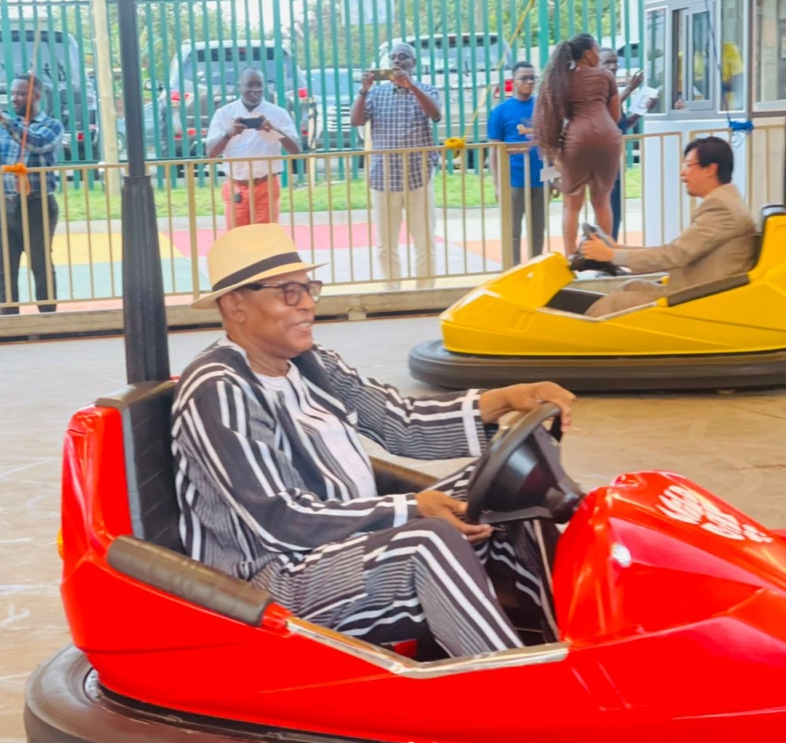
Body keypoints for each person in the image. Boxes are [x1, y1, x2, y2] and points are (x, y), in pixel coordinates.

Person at [172, 222, 577, 658]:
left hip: (337, 546)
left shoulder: (311, 363)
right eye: (288, 292)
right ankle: (514, 683)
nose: (307, 303)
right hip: (272, 577)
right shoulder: (219, 390)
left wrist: (507, 398)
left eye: (308, 289)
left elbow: (399, 422)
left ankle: (565, 645)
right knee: (426, 544)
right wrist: (410, 509)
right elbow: (281, 518)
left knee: (507, 492)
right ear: (235, 305)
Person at [580, 136, 757, 318]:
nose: (682, 173)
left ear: (710, 169)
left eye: (688, 165)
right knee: (631, 286)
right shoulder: (725, 202)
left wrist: (611, 255)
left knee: (612, 304)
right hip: (695, 288)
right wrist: (618, 248)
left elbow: (675, 255)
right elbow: (677, 250)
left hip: (700, 299)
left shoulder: (721, 209)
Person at [351, 43, 441, 289]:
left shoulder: (426, 90)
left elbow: (435, 114)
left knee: (424, 240)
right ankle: (392, 292)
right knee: (386, 243)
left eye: (403, 57)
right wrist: (363, 90)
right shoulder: (377, 94)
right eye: (393, 58)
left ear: (413, 63)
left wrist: (411, 86)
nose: (397, 61)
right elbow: (356, 120)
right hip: (385, 176)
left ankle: (424, 293)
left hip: (418, 175)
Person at [0, 74, 64, 315]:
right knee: (4, 267)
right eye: (13, 93)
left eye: (21, 93)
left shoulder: (51, 126)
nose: (14, 98)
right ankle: (10, 321)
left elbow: (37, 144)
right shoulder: (8, 128)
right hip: (6, 205)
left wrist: (4, 120)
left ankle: (47, 319)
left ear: (37, 96)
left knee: (40, 265)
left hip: (37, 205)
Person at [533, 33, 622, 256]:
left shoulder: (562, 79)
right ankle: (605, 255)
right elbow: (615, 116)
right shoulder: (605, 76)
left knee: (572, 203)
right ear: (588, 53)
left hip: (576, 140)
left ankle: (571, 255)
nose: (599, 55)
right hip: (607, 139)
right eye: (597, 50)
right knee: (602, 200)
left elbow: (557, 115)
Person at [205, 67, 302, 230]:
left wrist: (275, 131)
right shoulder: (224, 113)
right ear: (239, 86)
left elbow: (296, 150)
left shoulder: (278, 113)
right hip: (236, 188)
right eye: (250, 84)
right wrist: (228, 134)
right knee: (238, 238)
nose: (255, 90)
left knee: (264, 238)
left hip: (266, 186)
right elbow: (210, 153)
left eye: (259, 85)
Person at [488, 61, 545, 263]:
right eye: (524, 78)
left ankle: (536, 267)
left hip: (540, 180)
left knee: (538, 230)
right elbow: (494, 150)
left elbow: (551, 146)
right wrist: (497, 184)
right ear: (513, 81)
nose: (529, 82)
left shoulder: (543, 107)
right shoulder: (501, 111)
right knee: (512, 230)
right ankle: (513, 269)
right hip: (513, 180)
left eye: (532, 78)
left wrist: (555, 177)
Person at [598, 49, 657, 240]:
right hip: (600, 161)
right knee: (605, 209)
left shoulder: (612, 91)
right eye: (607, 62)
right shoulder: (596, 91)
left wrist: (642, 110)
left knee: (616, 210)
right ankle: (601, 248)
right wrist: (629, 89)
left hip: (614, 160)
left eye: (615, 62)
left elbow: (623, 124)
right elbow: (604, 112)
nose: (613, 66)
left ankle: (610, 247)